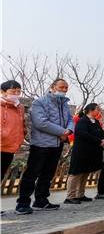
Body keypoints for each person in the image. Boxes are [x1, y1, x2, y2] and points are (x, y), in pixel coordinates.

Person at [15, 79, 74, 215]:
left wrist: (69, 131)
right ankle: (23, 202)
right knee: (32, 173)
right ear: (53, 87)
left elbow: (70, 119)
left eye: (66, 87)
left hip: (57, 144)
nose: (64, 89)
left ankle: (41, 200)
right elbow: (41, 123)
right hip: (41, 144)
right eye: (61, 87)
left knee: (48, 173)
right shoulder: (39, 102)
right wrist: (62, 132)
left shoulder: (64, 104)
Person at [65, 103, 104, 204]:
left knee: (85, 172)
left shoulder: (96, 121)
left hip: (92, 152)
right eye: (97, 109)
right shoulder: (82, 121)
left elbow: (102, 132)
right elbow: (83, 134)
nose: (99, 111)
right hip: (81, 151)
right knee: (76, 173)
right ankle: (70, 196)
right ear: (91, 110)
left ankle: (80, 194)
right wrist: (98, 141)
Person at [1, 80, 26, 185]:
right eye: (13, 91)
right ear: (3, 92)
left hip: (10, 147)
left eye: (18, 92)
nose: (16, 94)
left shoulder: (20, 108)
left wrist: (22, 136)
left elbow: (22, 125)